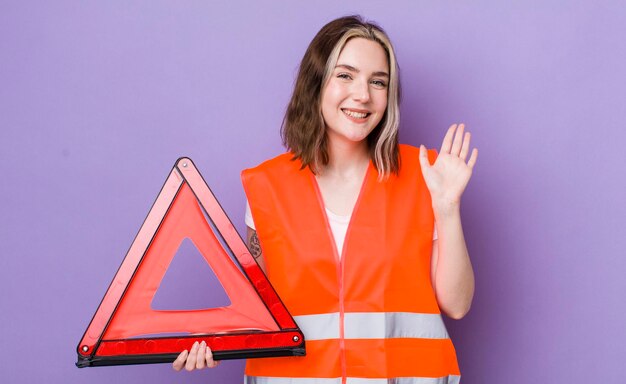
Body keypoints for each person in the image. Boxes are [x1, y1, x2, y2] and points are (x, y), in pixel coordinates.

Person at [173, 15, 477, 383]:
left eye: (378, 82)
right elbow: (252, 309)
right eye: (345, 75)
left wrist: (447, 209)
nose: (363, 94)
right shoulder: (267, 186)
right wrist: (211, 341)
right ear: (316, 83)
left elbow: (457, 305)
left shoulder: (424, 176)